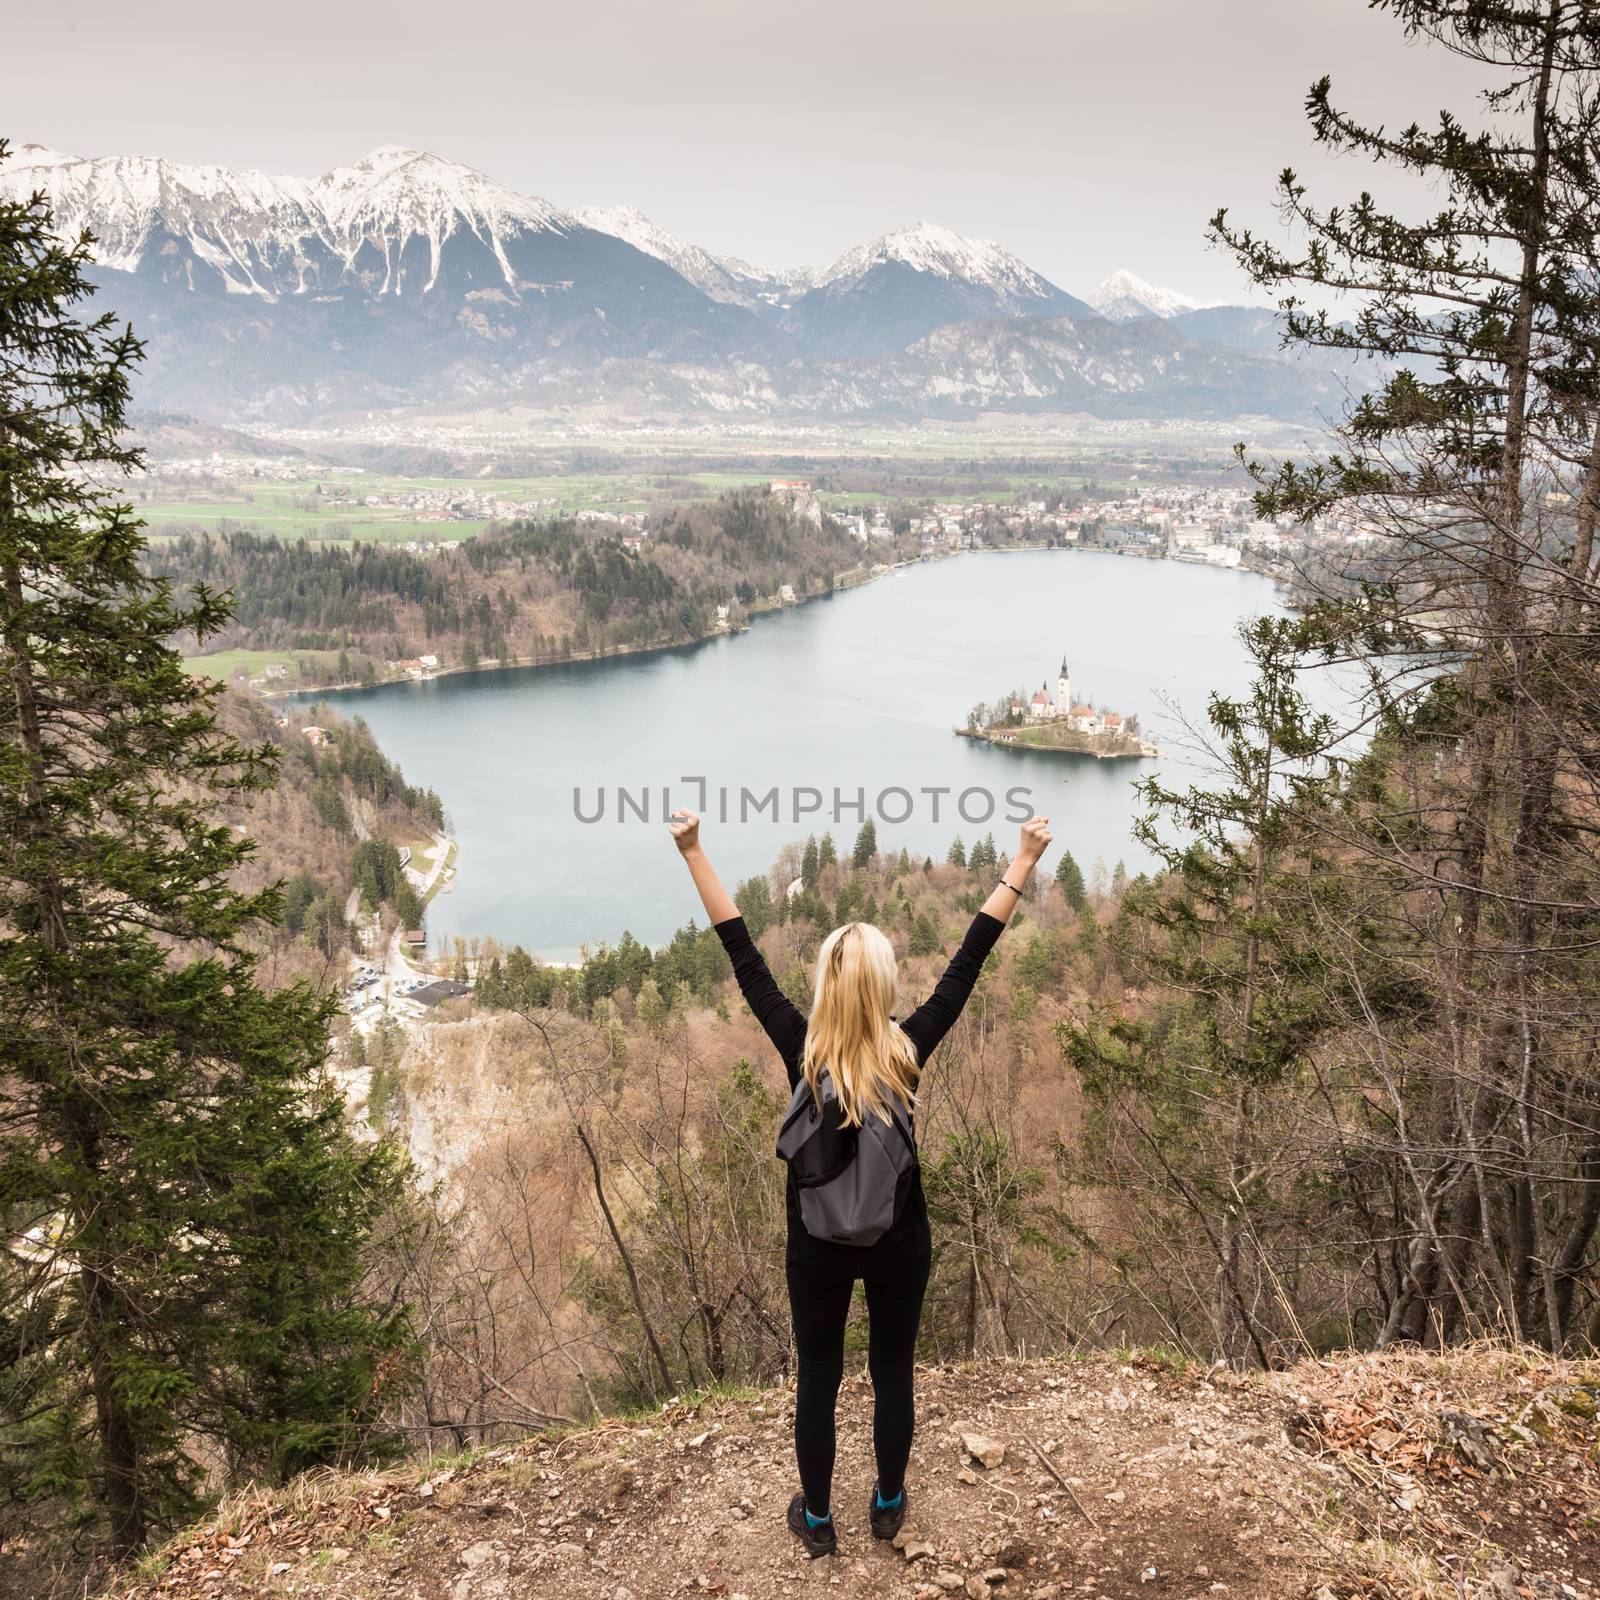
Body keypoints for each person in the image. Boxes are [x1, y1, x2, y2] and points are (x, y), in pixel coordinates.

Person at [667, 809, 1053, 1558]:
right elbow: (969, 960)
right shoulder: (907, 1052)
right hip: (897, 1241)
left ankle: (816, 1518)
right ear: (881, 987)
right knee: (891, 1372)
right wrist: (1023, 861)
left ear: (824, 987)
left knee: (818, 1377)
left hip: (816, 1245)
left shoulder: (799, 1051)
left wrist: (694, 852)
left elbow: (741, 952)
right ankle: (887, 1501)